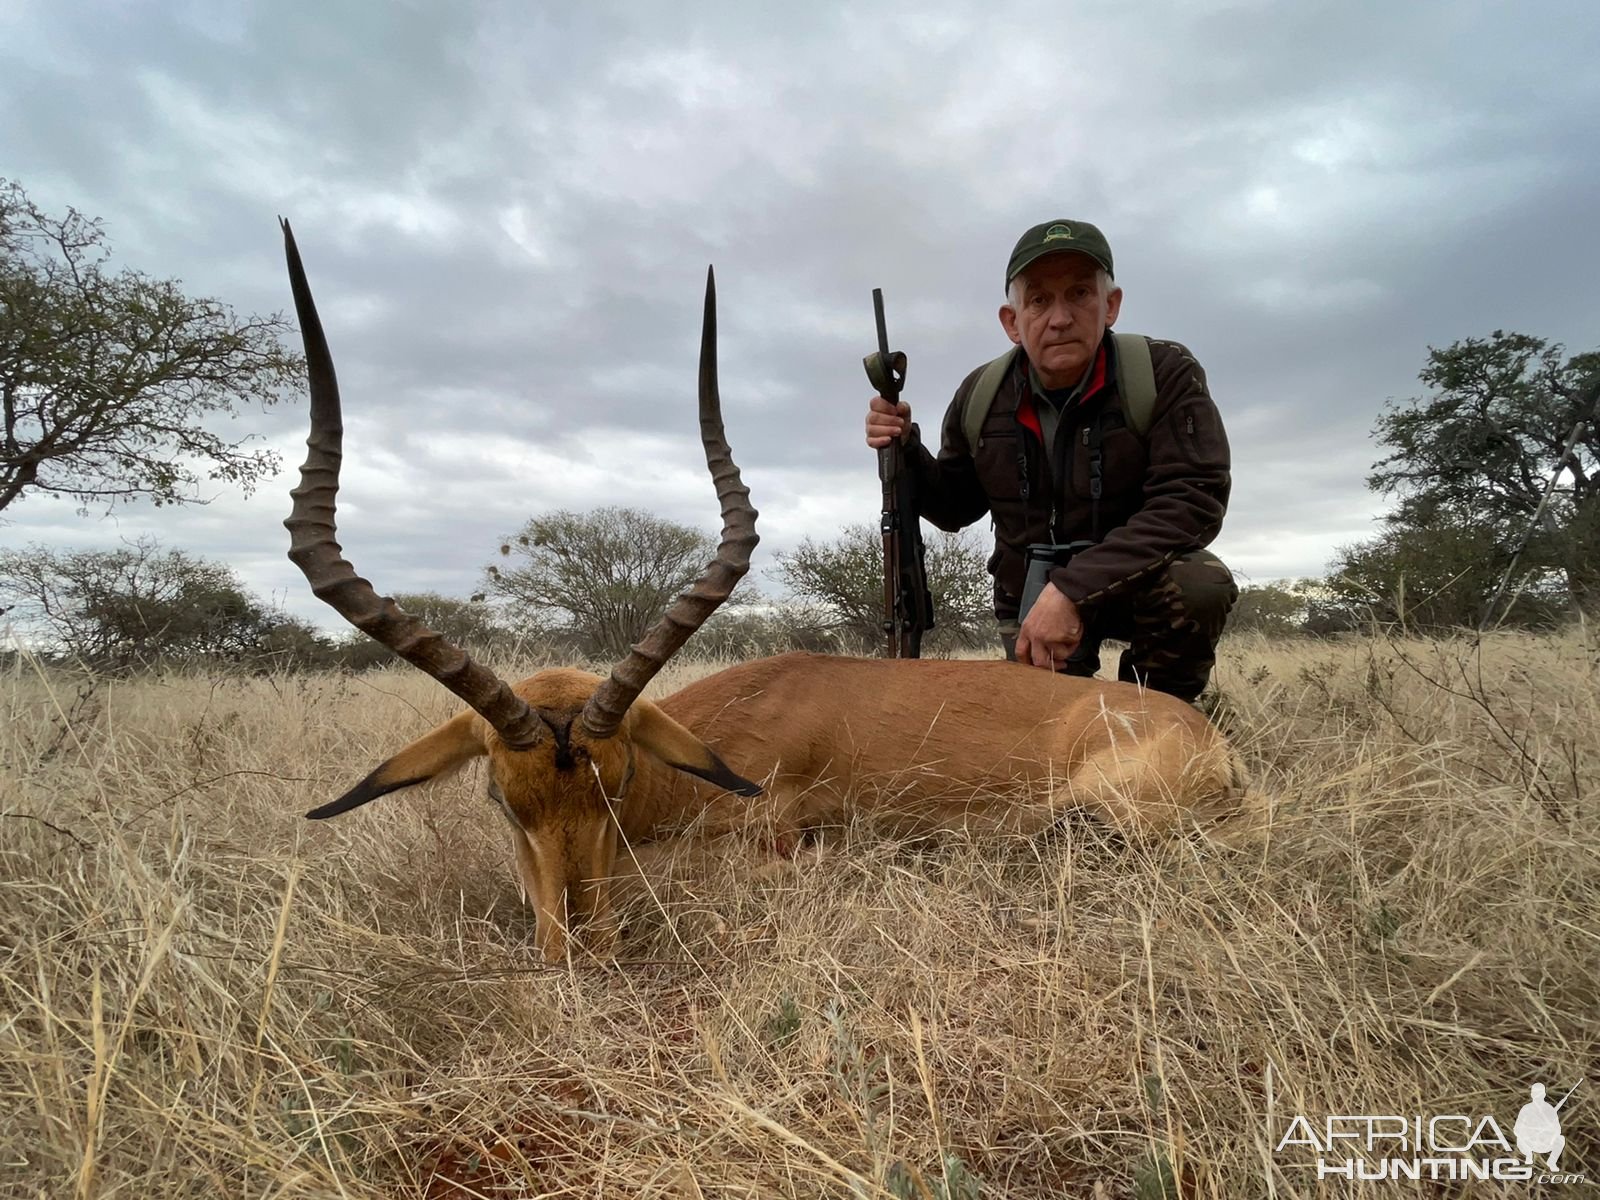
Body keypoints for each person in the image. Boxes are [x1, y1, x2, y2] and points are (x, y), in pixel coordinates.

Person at [864, 219, 1237, 702]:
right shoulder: (981, 394)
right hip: (1028, 594)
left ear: (1111, 305)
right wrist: (906, 447)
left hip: (1134, 582)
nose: (1059, 318)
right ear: (1012, 321)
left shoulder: (1164, 372)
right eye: (1038, 300)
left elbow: (1192, 502)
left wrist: (1070, 590)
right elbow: (955, 507)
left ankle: (1161, 715)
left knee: (1198, 584)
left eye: (1080, 293)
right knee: (1044, 738)